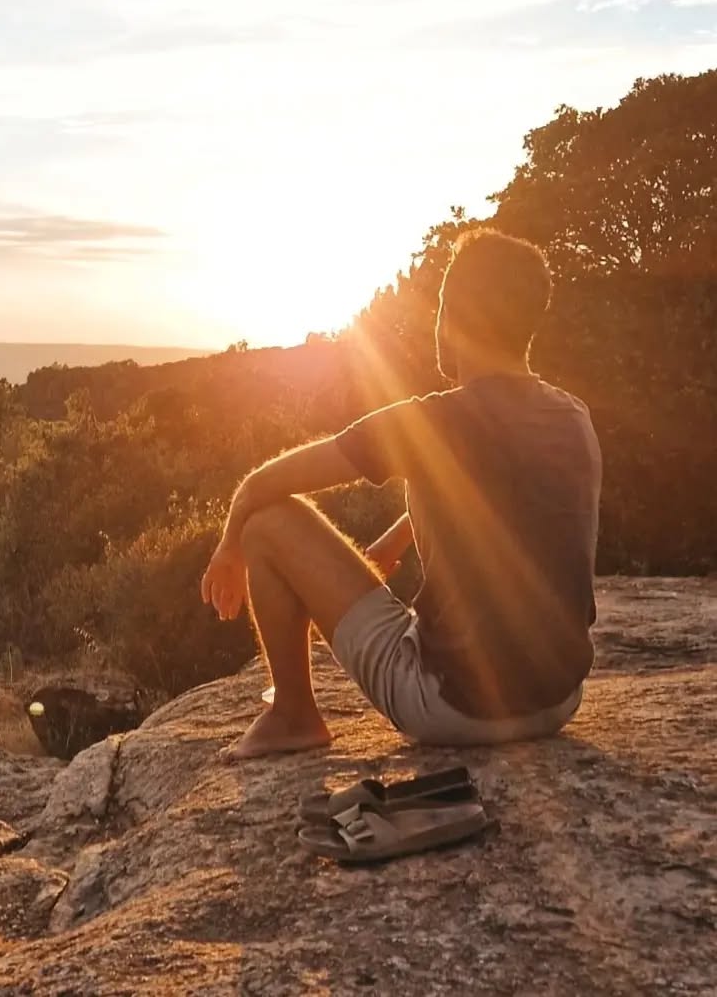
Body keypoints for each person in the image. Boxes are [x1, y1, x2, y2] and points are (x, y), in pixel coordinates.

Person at [200, 229, 602, 759]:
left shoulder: (432, 421)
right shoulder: (573, 418)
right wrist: (395, 539)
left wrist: (230, 545)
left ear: (452, 318)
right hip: (558, 699)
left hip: (452, 706)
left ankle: (291, 715)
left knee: (267, 524)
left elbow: (262, 485)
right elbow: (503, 496)